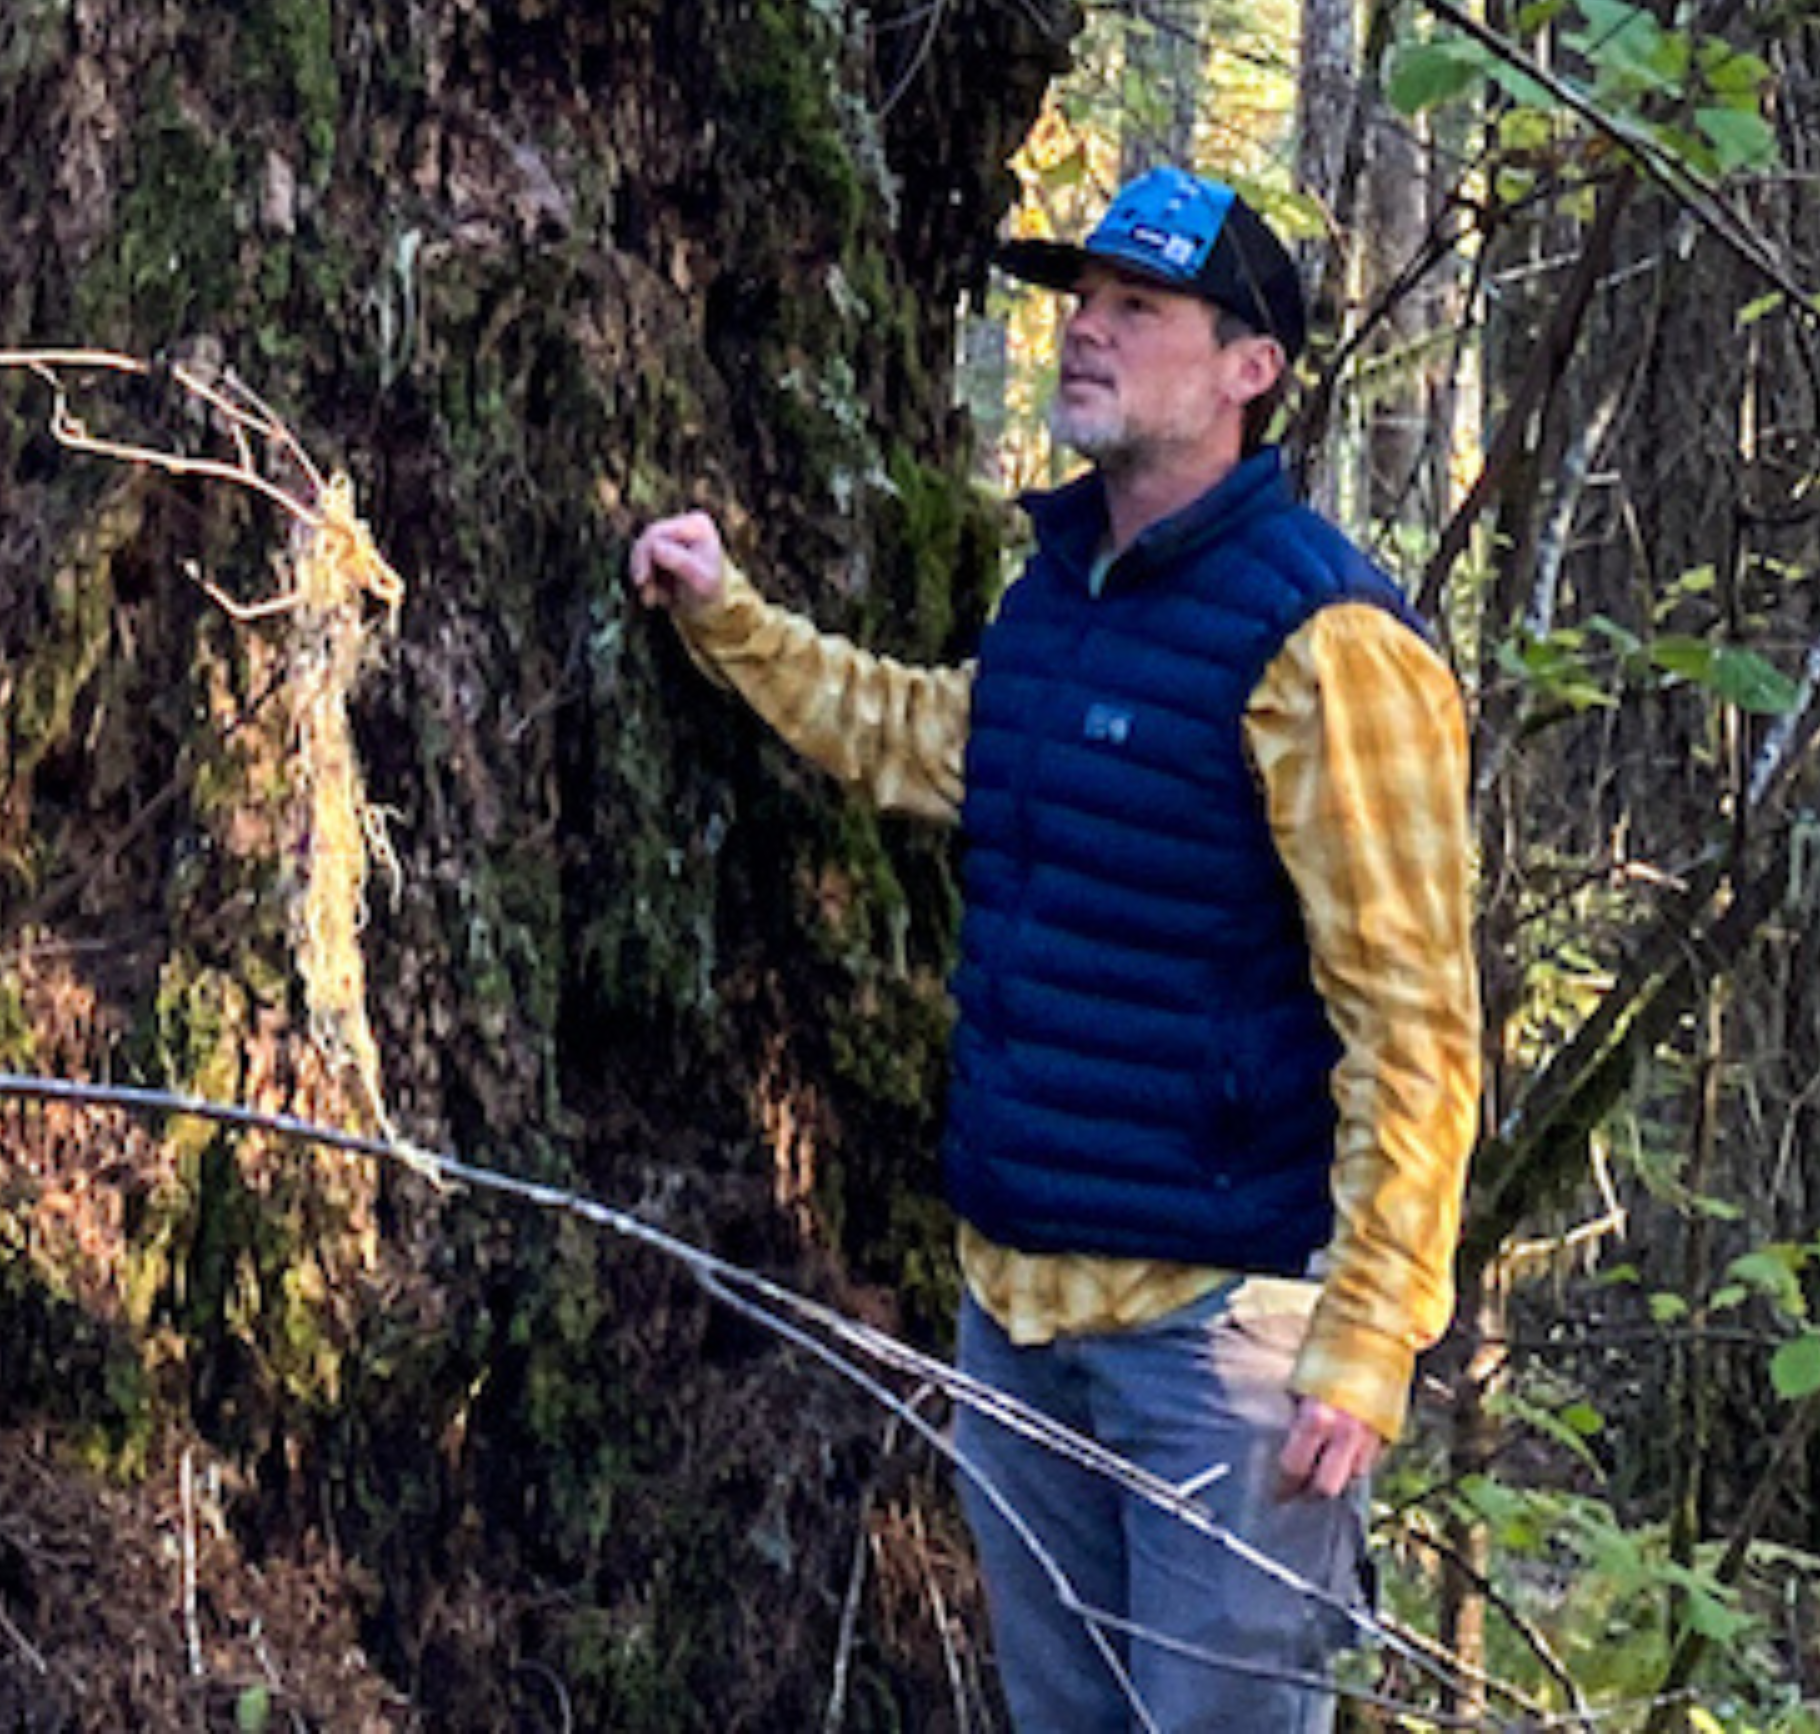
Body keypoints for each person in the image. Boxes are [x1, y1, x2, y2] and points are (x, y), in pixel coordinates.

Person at [628, 163, 1478, 1734]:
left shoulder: (1331, 644)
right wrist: (727, 618)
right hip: (1014, 1314)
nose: (1085, 331)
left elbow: (1415, 1023)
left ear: (1250, 369)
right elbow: (923, 739)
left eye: (1136, 307)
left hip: (1221, 1346)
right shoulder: (1058, 597)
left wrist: (1370, 1337)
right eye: (1080, 301)